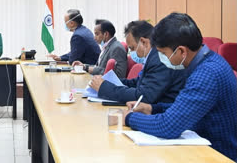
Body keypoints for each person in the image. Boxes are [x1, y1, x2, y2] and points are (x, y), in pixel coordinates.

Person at [123, 13, 237, 161]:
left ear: (182, 51)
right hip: (200, 148)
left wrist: (130, 118)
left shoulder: (207, 74)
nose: (161, 58)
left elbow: (168, 126)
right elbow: (185, 107)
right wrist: (152, 109)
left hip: (216, 155)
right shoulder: (207, 61)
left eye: (163, 53)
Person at [89, 20, 185, 104]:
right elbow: (138, 82)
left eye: (132, 48)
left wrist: (104, 88)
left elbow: (143, 97)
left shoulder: (160, 59)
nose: (131, 52)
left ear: (144, 42)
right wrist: (107, 80)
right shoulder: (153, 56)